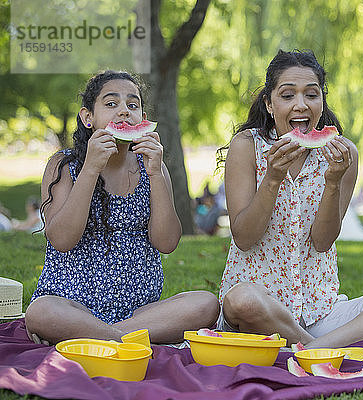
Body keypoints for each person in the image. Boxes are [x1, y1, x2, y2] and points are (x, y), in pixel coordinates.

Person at [217, 49, 363, 348]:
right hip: (258, 314)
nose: (301, 105)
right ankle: (320, 348)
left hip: (320, 313)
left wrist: (333, 181)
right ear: (269, 104)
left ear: (322, 100)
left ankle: (313, 348)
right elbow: (244, 237)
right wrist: (272, 178)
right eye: (287, 95)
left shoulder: (341, 155)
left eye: (311, 94)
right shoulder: (246, 147)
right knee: (242, 299)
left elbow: (322, 242)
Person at [25, 71, 219, 345]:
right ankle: (126, 338)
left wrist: (154, 174)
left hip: (141, 311)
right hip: (71, 305)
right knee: (40, 312)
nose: (124, 112)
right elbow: (61, 240)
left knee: (207, 304)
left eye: (133, 104)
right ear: (87, 117)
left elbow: (166, 243)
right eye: (111, 103)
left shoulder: (152, 167)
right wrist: (91, 169)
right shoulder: (64, 166)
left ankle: (103, 336)